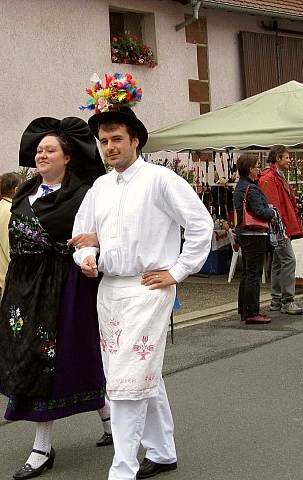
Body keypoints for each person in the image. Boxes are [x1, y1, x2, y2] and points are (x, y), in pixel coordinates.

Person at [72, 74, 213, 480]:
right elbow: (83, 236)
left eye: (116, 138)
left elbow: (200, 225)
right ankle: (163, 451)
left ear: (135, 140)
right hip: (109, 291)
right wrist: (87, 256)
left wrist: (179, 270)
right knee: (135, 373)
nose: (110, 147)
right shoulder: (99, 187)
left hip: (149, 287)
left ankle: (123, 466)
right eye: (103, 141)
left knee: (126, 380)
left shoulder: (161, 180)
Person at [0, 117, 109, 480]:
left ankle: (42, 447)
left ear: (67, 157)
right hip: (24, 289)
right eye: (40, 149)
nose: (42, 154)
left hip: (65, 287)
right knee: (32, 357)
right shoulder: (25, 193)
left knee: (57, 360)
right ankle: (108, 420)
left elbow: (102, 235)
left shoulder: (84, 194)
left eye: (50, 150)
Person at [258, 145, 303, 315]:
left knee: (279, 261)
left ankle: (276, 299)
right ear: (277, 159)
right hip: (279, 228)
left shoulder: (275, 176)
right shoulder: (270, 178)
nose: (289, 160)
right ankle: (287, 300)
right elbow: (274, 207)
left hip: (279, 227)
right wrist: (282, 229)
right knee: (289, 260)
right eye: (286, 157)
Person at [234, 153, 278, 324]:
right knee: (254, 273)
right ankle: (252, 312)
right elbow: (259, 211)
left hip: (244, 233)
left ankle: (244, 309)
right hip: (254, 233)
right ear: (250, 169)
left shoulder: (241, 186)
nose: (259, 168)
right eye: (257, 165)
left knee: (247, 273)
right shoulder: (251, 188)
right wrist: (272, 212)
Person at [0, 172, 24, 289]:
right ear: (16, 189)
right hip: (4, 278)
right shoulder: (9, 210)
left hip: (1, 275)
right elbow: (9, 246)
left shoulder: (2, 205)